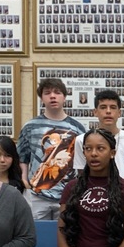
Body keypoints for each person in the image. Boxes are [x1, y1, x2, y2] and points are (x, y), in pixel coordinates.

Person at [17, 77, 87, 223]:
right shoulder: (31, 126)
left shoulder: (77, 128)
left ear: (64, 97)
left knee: (65, 234)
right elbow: (23, 156)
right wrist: (24, 179)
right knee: (36, 236)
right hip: (37, 194)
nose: (53, 96)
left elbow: (82, 160)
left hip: (67, 194)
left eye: (57, 92)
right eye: (47, 93)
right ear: (41, 98)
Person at [71, 89, 124, 188]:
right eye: (103, 107)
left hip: (123, 195)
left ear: (119, 112)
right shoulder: (81, 140)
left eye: (113, 107)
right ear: (95, 112)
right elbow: (82, 173)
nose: (108, 111)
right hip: (93, 196)